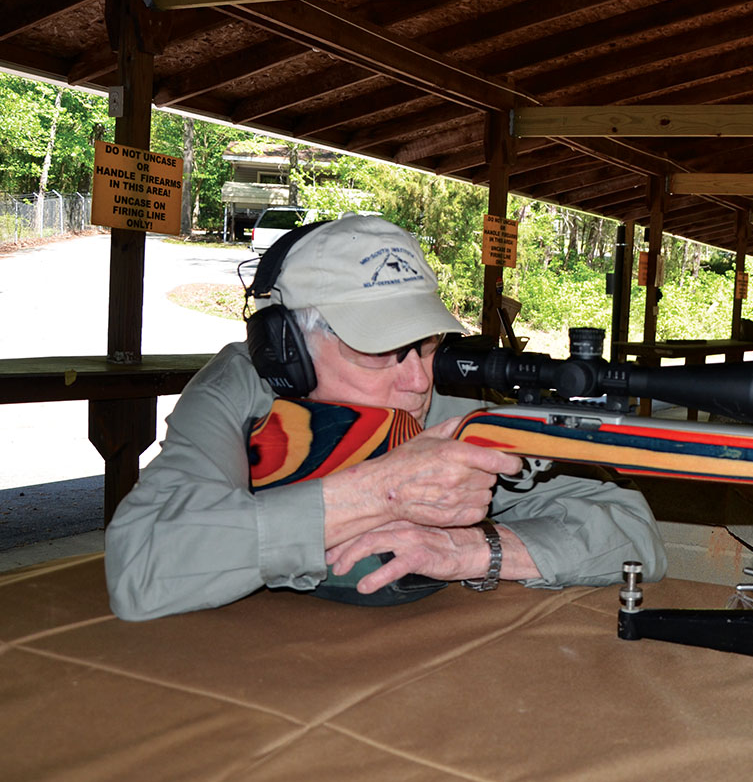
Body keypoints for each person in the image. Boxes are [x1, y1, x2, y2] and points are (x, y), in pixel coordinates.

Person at [105, 216, 666, 621]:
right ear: (286, 350)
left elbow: (634, 533)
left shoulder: (444, 413)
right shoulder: (240, 391)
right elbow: (140, 567)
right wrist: (377, 494)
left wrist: (474, 551)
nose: (418, 381)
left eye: (425, 347)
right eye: (378, 352)